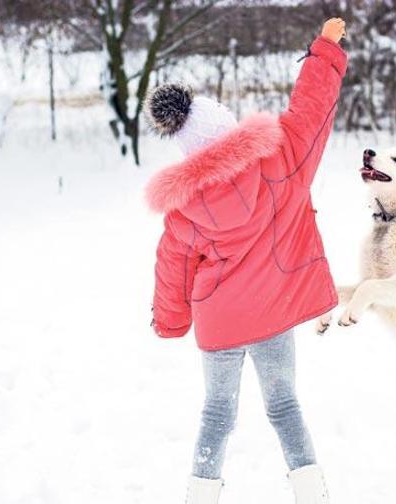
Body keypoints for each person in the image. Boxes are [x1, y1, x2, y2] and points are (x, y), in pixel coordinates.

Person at [145, 18, 347, 504]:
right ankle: (311, 491)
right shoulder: (284, 158)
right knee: (284, 405)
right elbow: (311, 109)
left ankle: (201, 495)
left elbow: (171, 267)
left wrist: (171, 322)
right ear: (229, 128)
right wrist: (325, 51)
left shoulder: (184, 209)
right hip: (274, 313)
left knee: (217, 413)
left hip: (220, 322)